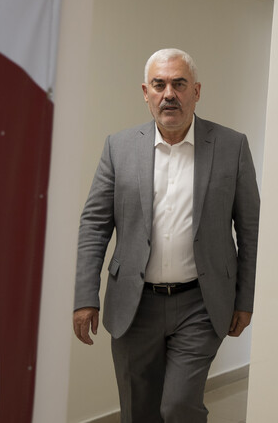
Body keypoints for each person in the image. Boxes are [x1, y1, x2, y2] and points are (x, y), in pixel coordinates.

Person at [73, 48, 259, 423]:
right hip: (134, 303)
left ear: (196, 91)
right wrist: (85, 295)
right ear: (146, 92)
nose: (168, 94)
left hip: (200, 304)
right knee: (137, 410)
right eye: (159, 85)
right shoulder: (119, 147)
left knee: (178, 406)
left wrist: (245, 299)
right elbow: (94, 224)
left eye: (179, 84)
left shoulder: (230, 146)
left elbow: (250, 229)